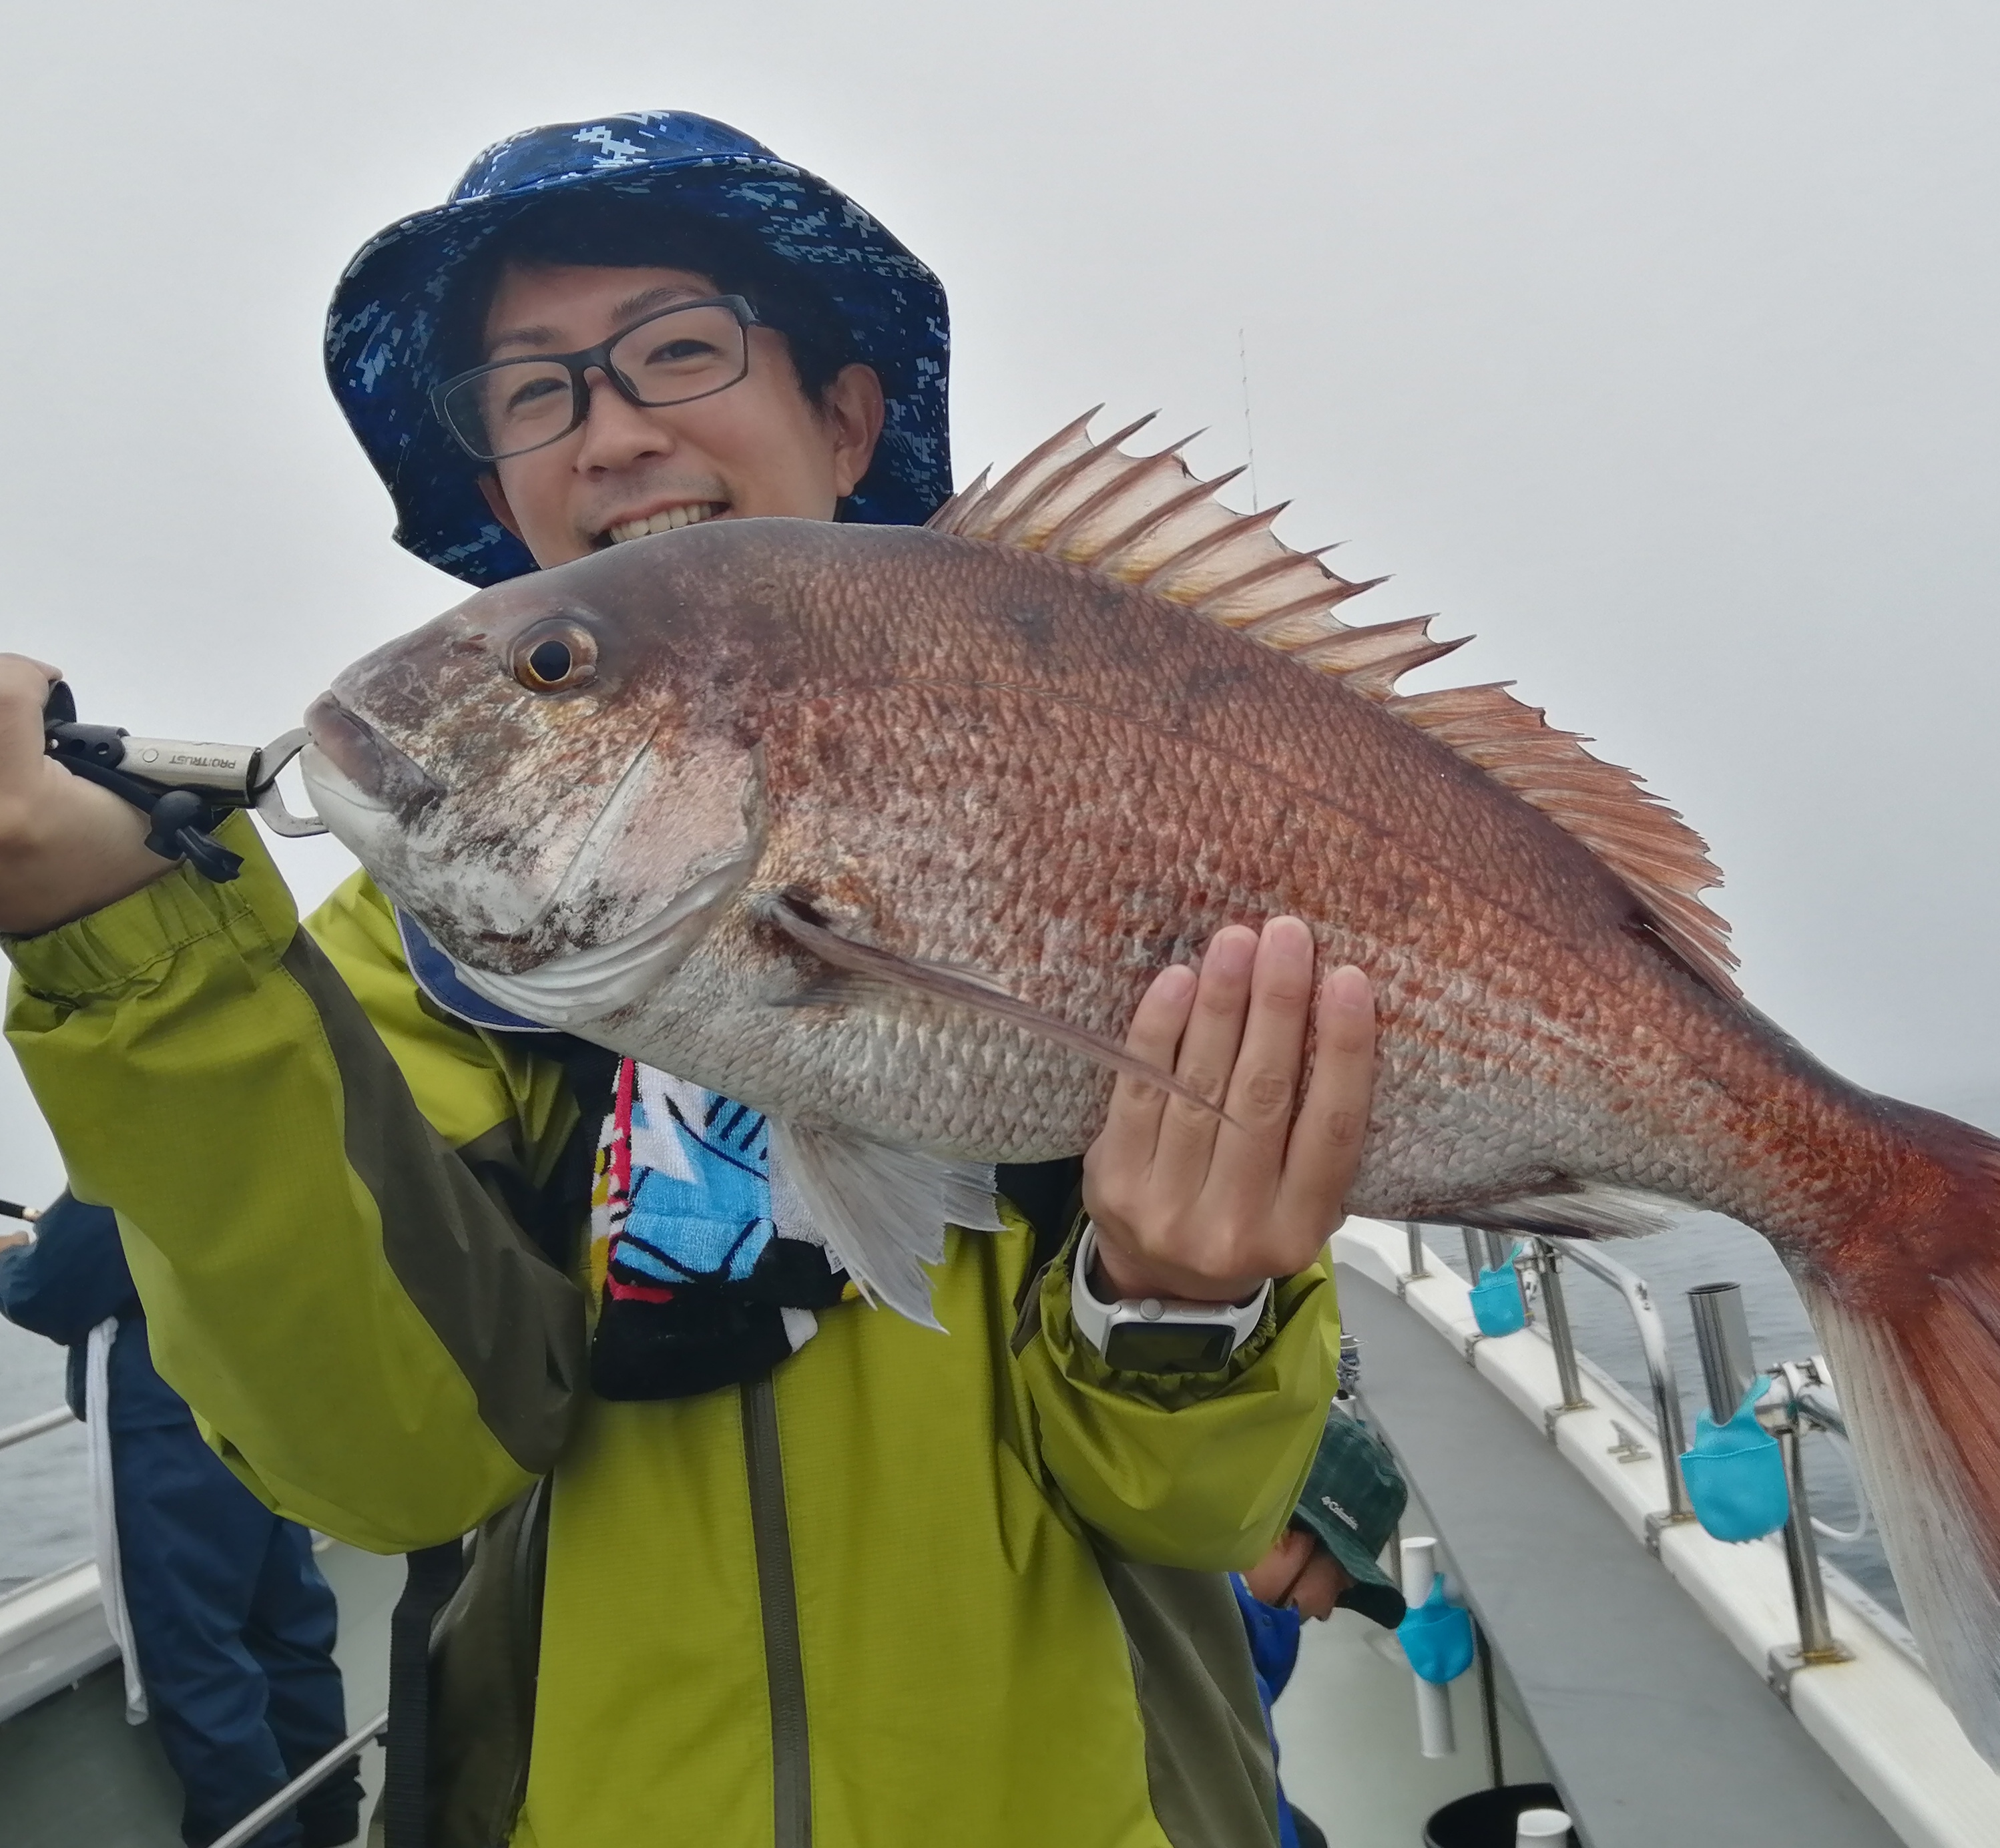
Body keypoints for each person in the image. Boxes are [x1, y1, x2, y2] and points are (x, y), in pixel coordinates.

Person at [0, 112, 1373, 1847]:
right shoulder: (400, 958)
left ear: (846, 414)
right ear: (494, 492)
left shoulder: (1111, 795)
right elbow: (388, 1471)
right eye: (533, 392)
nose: (615, 426)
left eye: (676, 347)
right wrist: (117, 947)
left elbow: (1188, 1510)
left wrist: (1178, 1299)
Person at [0, 1194, 360, 1848]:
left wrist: (11, 1264)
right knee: (289, 1624)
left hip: (170, 1426)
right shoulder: (254, 1103)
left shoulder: (131, 1118)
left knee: (195, 1655)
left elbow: (54, 1290)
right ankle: (330, 1820)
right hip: (262, 1410)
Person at [1233, 1410, 1410, 1848]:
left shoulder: (1177, 1600)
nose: (1329, 1612)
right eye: (1338, 1582)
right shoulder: (1215, 1672)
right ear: (1284, 1536)